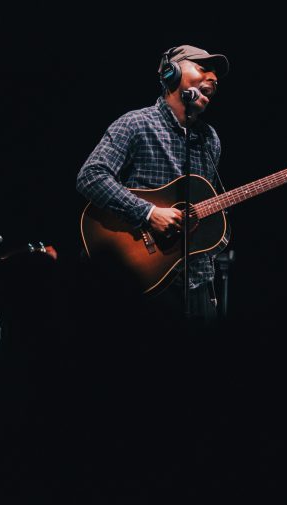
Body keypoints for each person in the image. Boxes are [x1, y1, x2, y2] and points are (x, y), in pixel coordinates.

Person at [76, 44, 229, 323]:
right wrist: (148, 213)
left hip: (198, 280)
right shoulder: (136, 123)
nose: (214, 78)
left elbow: (204, 205)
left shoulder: (210, 139)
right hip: (143, 280)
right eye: (203, 68)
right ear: (172, 72)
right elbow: (91, 176)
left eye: (216, 75)